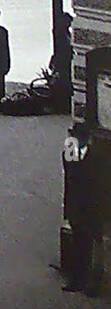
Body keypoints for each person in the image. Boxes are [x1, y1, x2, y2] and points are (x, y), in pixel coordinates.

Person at [62, 123, 99, 294]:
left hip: (90, 207)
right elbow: (68, 171)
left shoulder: (95, 155)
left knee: (88, 244)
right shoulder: (71, 152)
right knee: (78, 243)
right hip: (75, 206)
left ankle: (89, 281)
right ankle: (77, 280)